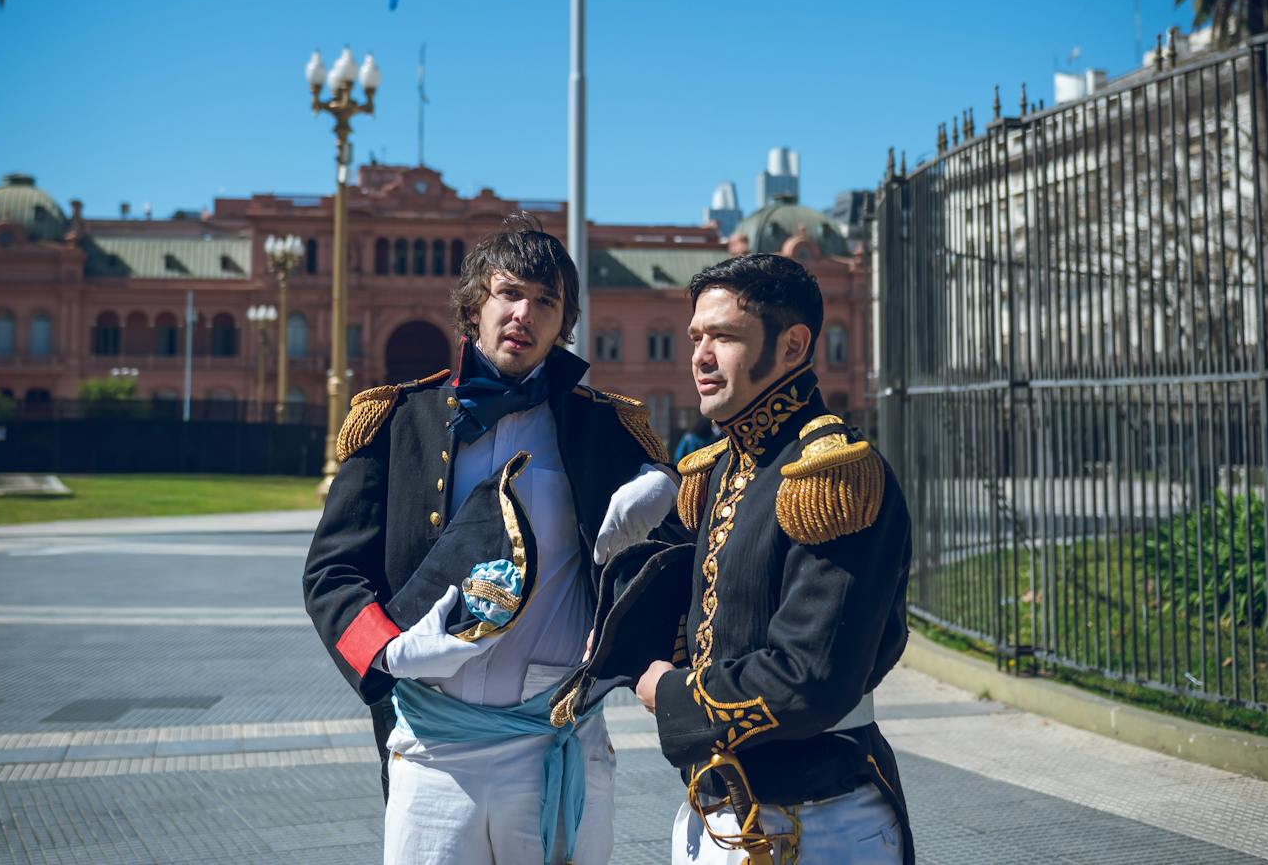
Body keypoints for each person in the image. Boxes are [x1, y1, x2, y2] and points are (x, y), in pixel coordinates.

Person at [303, 213, 682, 865]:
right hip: (434, 745)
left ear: (563, 323)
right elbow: (332, 573)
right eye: (508, 293)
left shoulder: (612, 432)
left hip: (558, 738)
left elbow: (672, 573)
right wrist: (388, 653)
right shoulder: (395, 421)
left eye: (544, 301)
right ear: (474, 304)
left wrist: (662, 512)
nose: (523, 314)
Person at [636, 253, 914, 864]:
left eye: (725, 337)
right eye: (696, 337)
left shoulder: (832, 475)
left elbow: (811, 679)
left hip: (816, 821)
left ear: (793, 345)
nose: (700, 357)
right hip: (715, 811)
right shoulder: (717, 471)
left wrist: (674, 695)